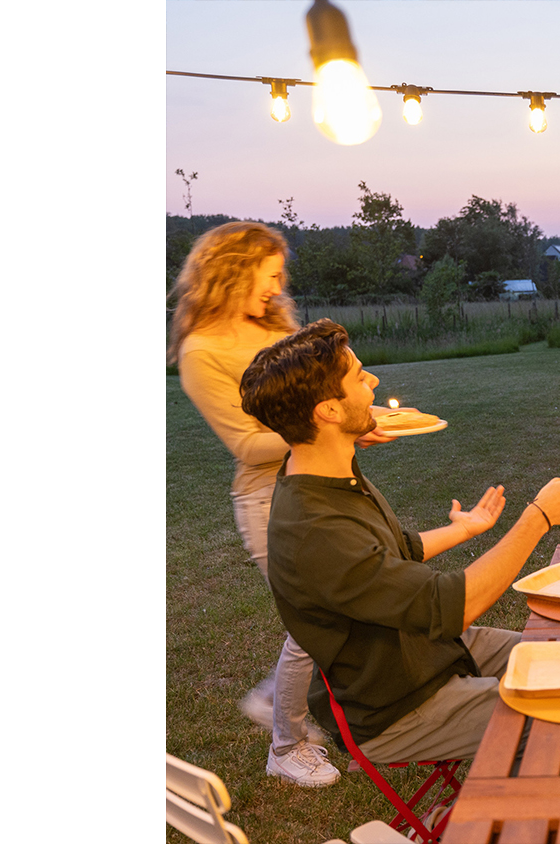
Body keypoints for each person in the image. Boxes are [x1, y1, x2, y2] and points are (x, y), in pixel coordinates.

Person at [240, 319, 560, 762]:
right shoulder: (315, 530)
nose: (373, 381)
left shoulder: (322, 471)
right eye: (359, 377)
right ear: (328, 410)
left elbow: (391, 552)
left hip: (430, 651)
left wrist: (462, 529)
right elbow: (449, 606)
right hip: (398, 704)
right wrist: (538, 518)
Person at [169, 221, 397, 786]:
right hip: (269, 499)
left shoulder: (276, 326)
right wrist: (333, 426)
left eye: (279, 275)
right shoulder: (201, 351)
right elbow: (248, 445)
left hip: (325, 480)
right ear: (231, 272)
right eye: (268, 275)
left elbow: (324, 395)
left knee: (351, 607)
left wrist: (353, 415)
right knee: (319, 618)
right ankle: (286, 744)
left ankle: (286, 700)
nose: (277, 287)